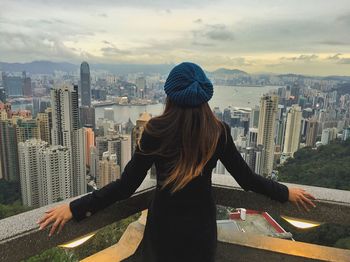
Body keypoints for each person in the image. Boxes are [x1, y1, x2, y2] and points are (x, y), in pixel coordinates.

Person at [37, 62, 316, 262]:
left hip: (164, 231)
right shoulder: (217, 131)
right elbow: (247, 180)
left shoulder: (156, 132)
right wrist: (285, 192)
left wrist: (76, 208)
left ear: (170, 95)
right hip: (201, 231)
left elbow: (125, 187)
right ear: (204, 96)